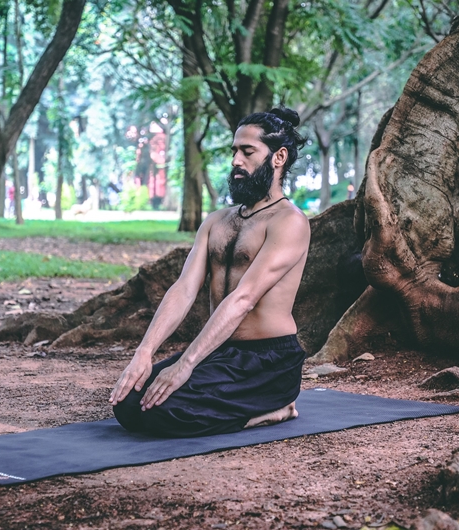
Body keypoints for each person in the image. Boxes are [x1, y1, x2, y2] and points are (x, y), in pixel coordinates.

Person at [109, 107, 310, 438]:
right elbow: (184, 288)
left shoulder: (289, 222)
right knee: (130, 402)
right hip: (221, 353)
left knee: (165, 411)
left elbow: (243, 299)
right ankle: (250, 408)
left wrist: (185, 364)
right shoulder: (217, 221)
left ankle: (272, 411)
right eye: (234, 151)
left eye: (247, 152)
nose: (236, 161)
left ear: (279, 157)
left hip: (268, 361)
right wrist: (143, 354)